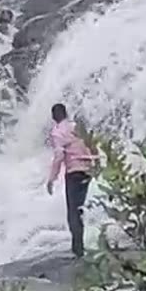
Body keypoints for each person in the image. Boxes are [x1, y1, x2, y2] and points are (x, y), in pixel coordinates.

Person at [45, 103, 97, 258]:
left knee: (73, 212)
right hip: (87, 170)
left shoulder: (57, 132)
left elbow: (59, 156)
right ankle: (80, 246)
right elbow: (92, 144)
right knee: (80, 209)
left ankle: (78, 249)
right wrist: (97, 163)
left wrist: (51, 179)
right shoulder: (77, 127)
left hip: (73, 172)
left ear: (54, 117)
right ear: (66, 113)